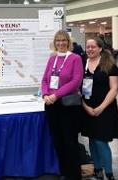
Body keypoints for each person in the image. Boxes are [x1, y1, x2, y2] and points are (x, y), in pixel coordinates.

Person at [41, 30, 83, 180]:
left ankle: (74, 175)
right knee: (57, 140)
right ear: (54, 42)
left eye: (63, 40)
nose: (61, 43)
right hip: (52, 105)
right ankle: (64, 172)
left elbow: (75, 82)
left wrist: (55, 95)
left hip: (68, 106)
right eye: (58, 41)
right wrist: (45, 94)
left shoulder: (75, 58)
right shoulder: (52, 58)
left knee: (70, 142)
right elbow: (44, 79)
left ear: (68, 42)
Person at [81, 37, 118, 180]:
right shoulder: (82, 63)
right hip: (86, 109)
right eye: (88, 47)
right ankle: (98, 170)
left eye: (93, 47)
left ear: (100, 48)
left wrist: (100, 108)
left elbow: (114, 88)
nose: (90, 49)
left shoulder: (109, 65)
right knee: (92, 140)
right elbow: (77, 88)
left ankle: (109, 173)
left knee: (100, 141)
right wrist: (85, 107)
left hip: (105, 109)